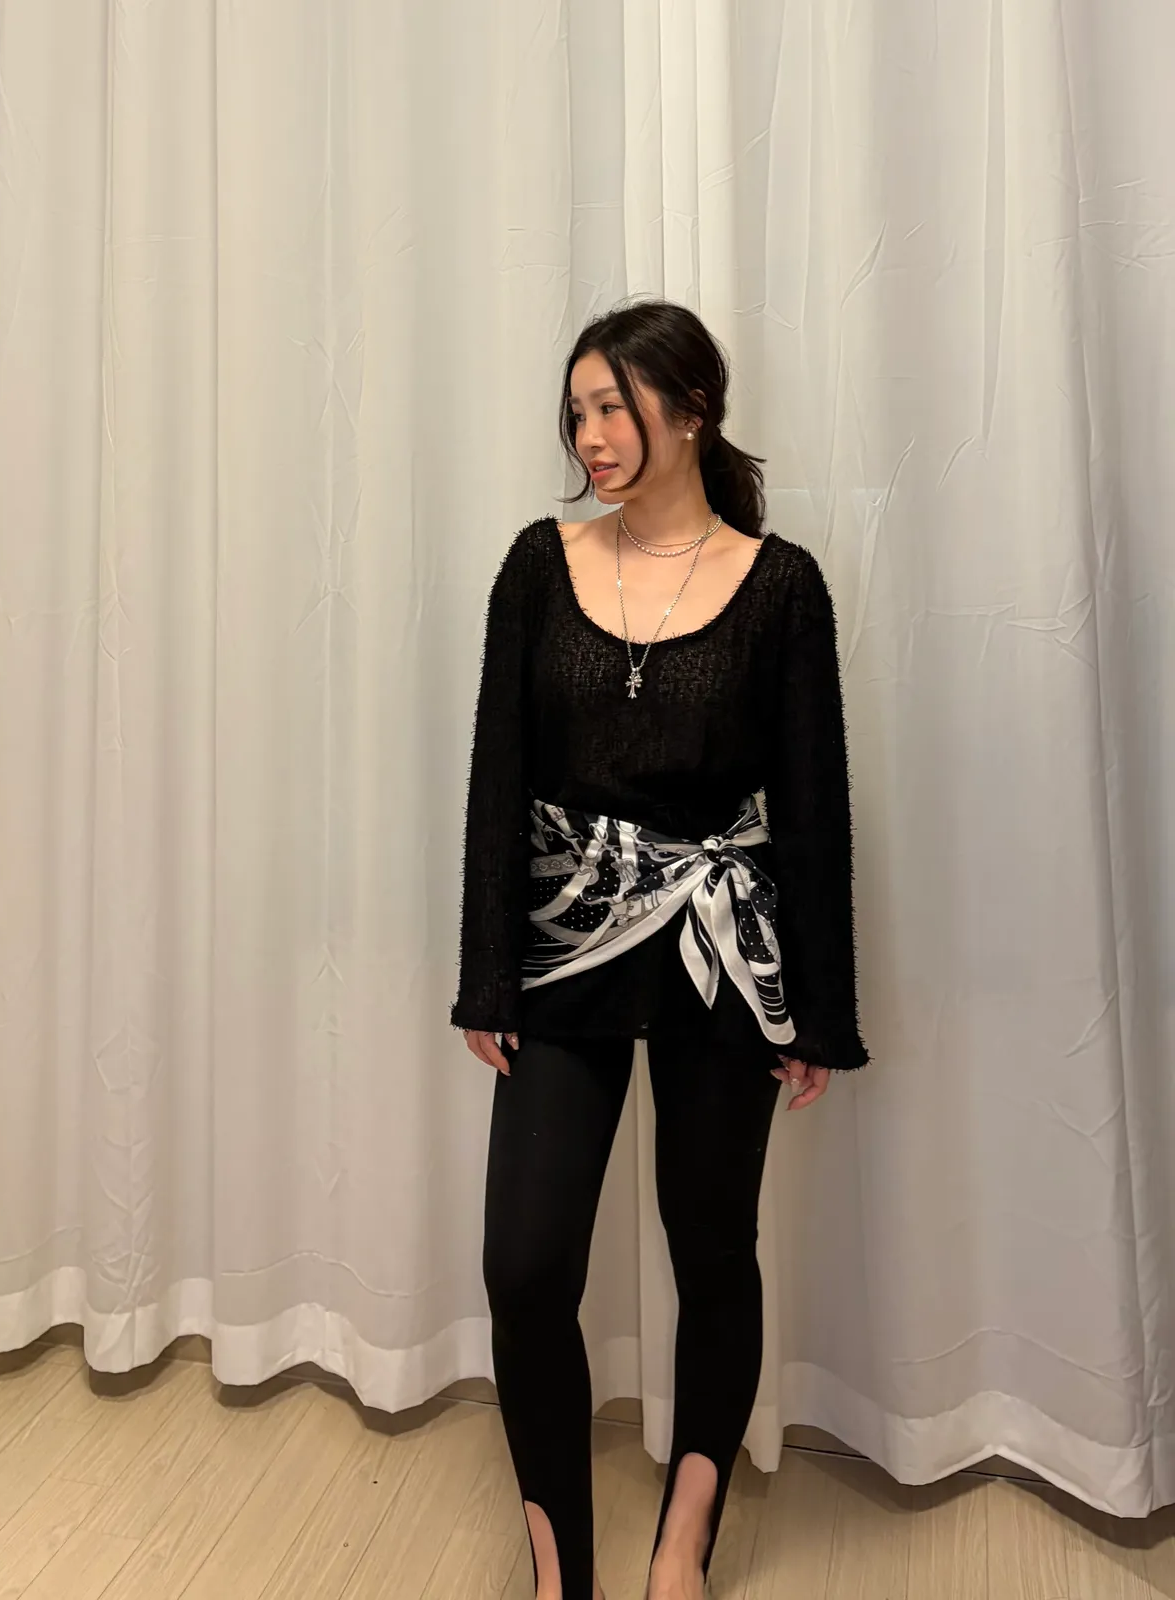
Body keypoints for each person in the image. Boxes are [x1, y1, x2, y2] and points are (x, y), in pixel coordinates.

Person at [450, 298, 868, 1600]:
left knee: (712, 1245)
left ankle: (684, 1537)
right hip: (562, 950)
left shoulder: (780, 584)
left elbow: (812, 807)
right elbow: (497, 778)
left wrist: (821, 1010)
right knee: (526, 1264)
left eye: (612, 407)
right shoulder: (539, 565)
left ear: (691, 411)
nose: (589, 436)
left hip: (721, 959)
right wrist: (484, 975)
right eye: (576, 412)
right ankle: (556, 1567)